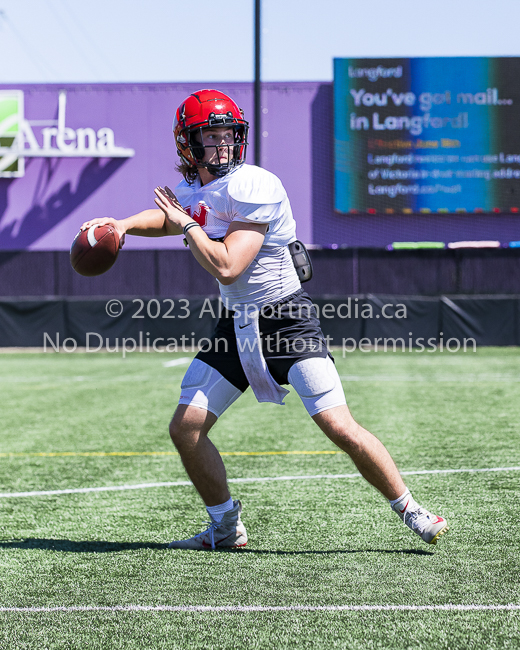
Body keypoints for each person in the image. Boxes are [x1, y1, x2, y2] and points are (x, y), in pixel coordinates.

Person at [81, 89, 449, 550]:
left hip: (288, 322)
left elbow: (227, 265)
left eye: (227, 134)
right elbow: (172, 217)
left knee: (338, 425)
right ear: (186, 145)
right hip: (236, 326)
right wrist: (120, 225)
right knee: (186, 427)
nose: (221, 145)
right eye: (209, 136)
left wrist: (187, 222)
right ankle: (225, 526)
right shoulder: (197, 192)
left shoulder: (255, 184)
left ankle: (411, 509)